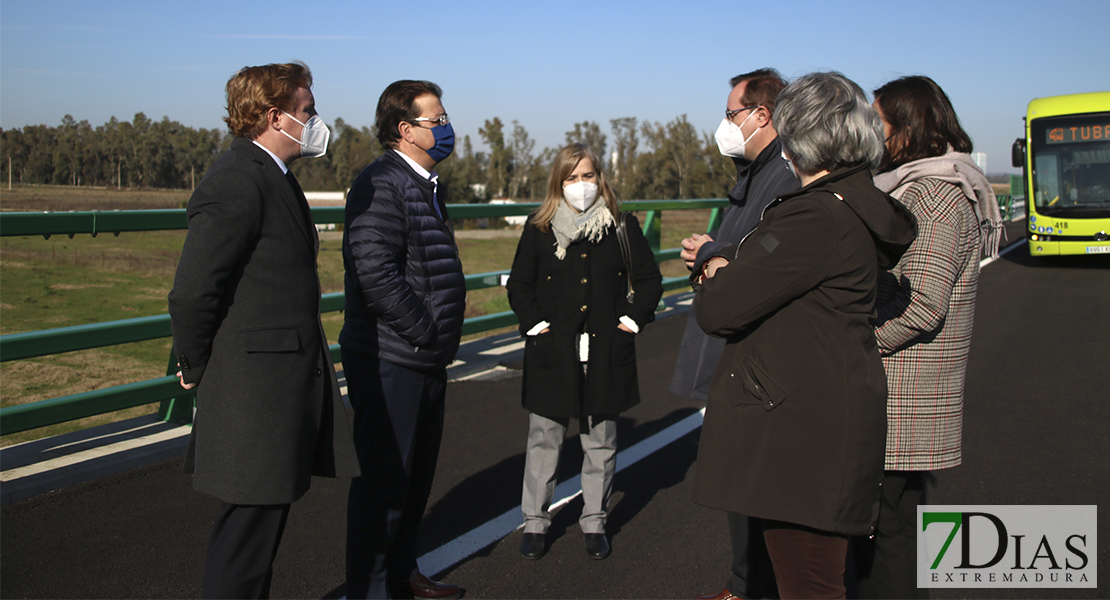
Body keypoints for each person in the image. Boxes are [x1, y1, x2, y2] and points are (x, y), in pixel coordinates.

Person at [690, 72, 917, 599]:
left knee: (810, 585)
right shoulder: (852, 206)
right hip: (826, 420)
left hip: (801, 437)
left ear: (804, 139)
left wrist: (714, 266)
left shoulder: (814, 217)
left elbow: (720, 308)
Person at [168, 61, 359, 599]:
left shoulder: (272, 178)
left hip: (275, 392)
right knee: (245, 539)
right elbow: (193, 290)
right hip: (256, 398)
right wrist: (195, 364)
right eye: (308, 111)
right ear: (275, 117)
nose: (316, 121)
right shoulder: (236, 179)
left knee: (259, 534)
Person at [852, 75, 1003, 599]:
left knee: (888, 538)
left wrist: (854, 347)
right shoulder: (922, 187)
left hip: (904, 398)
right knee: (887, 531)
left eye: (878, 121)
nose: (869, 131)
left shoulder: (934, 197)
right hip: (902, 395)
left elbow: (920, 305)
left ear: (907, 128)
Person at [670, 68, 799, 600]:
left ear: (761, 116)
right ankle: (746, 584)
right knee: (745, 484)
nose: (724, 125)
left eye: (731, 114)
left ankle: (751, 588)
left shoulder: (783, 179)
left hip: (754, 359)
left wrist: (708, 255)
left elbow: (759, 264)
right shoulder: (756, 174)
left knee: (757, 484)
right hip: (740, 351)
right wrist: (709, 257)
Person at [340, 80, 467, 600]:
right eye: (435, 120)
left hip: (424, 359)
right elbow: (374, 272)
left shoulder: (426, 184)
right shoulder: (383, 182)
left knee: (414, 482)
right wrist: (425, 331)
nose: (446, 127)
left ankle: (403, 573)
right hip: (393, 357)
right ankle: (369, 590)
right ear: (405, 129)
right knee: (383, 485)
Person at [506, 143, 663, 561]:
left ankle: (594, 521)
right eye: (571, 178)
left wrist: (630, 321)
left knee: (601, 440)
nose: (581, 185)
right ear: (558, 183)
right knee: (544, 438)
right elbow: (519, 285)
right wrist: (536, 326)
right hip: (552, 351)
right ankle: (536, 522)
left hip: (605, 352)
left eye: (588, 175)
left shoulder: (622, 227)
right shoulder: (538, 229)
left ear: (601, 178)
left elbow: (648, 282)